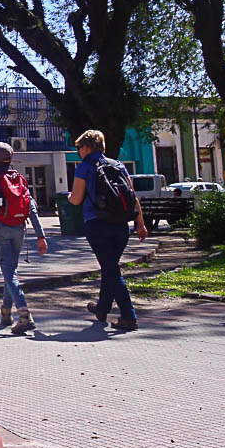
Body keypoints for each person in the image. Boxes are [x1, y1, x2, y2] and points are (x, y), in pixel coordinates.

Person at [69, 130, 148, 332]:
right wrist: (140, 223)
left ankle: (129, 316)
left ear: (86, 147)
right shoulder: (118, 165)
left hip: (97, 224)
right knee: (109, 267)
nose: (78, 151)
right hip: (122, 225)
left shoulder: (85, 167)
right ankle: (102, 309)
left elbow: (76, 199)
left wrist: (68, 196)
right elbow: (132, 195)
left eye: (78, 147)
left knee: (112, 270)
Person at [0, 142, 48, 334]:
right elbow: (31, 208)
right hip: (19, 228)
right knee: (11, 270)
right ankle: (6, 313)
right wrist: (41, 235)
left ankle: (23, 314)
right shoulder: (20, 179)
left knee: (9, 272)